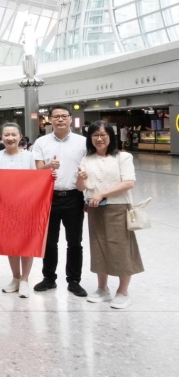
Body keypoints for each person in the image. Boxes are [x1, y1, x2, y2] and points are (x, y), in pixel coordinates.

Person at [76, 121, 143, 309]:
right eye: (95, 135)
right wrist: (80, 179)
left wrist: (102, 194)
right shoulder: (87, 159)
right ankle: (102, 288)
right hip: (95, 208)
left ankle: (123, 291)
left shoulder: (123, 157)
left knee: (121, 247)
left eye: (103, 135)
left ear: (110, 136)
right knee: (98, 246)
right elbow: (80, 187)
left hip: (118, 207)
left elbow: (128, 182)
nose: (99, 139)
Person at [0, 122, 56, 298]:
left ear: (20, 137)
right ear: (1, 137)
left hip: (27, 206)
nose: (10, 138)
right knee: (11, 243)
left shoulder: (29, 157)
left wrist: (49, 174)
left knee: (26, 242)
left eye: (14, 134)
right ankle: (15, 278)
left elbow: (37, 178)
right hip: (5, 207)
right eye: (6, 135)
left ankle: (25, 279)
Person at [32, 105, 88, 297]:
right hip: (49, 197)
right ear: (50, 120)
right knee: (49, 241)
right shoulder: (41, 142)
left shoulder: (83, 142)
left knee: (75, 242)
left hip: (74, 196)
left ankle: (74, 280)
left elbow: (88, 169)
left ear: (71, 118)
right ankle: (49, 278)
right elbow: (38, 171)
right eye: (56, 117)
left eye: (64, 116)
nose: (60, 119)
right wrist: (48, 166)